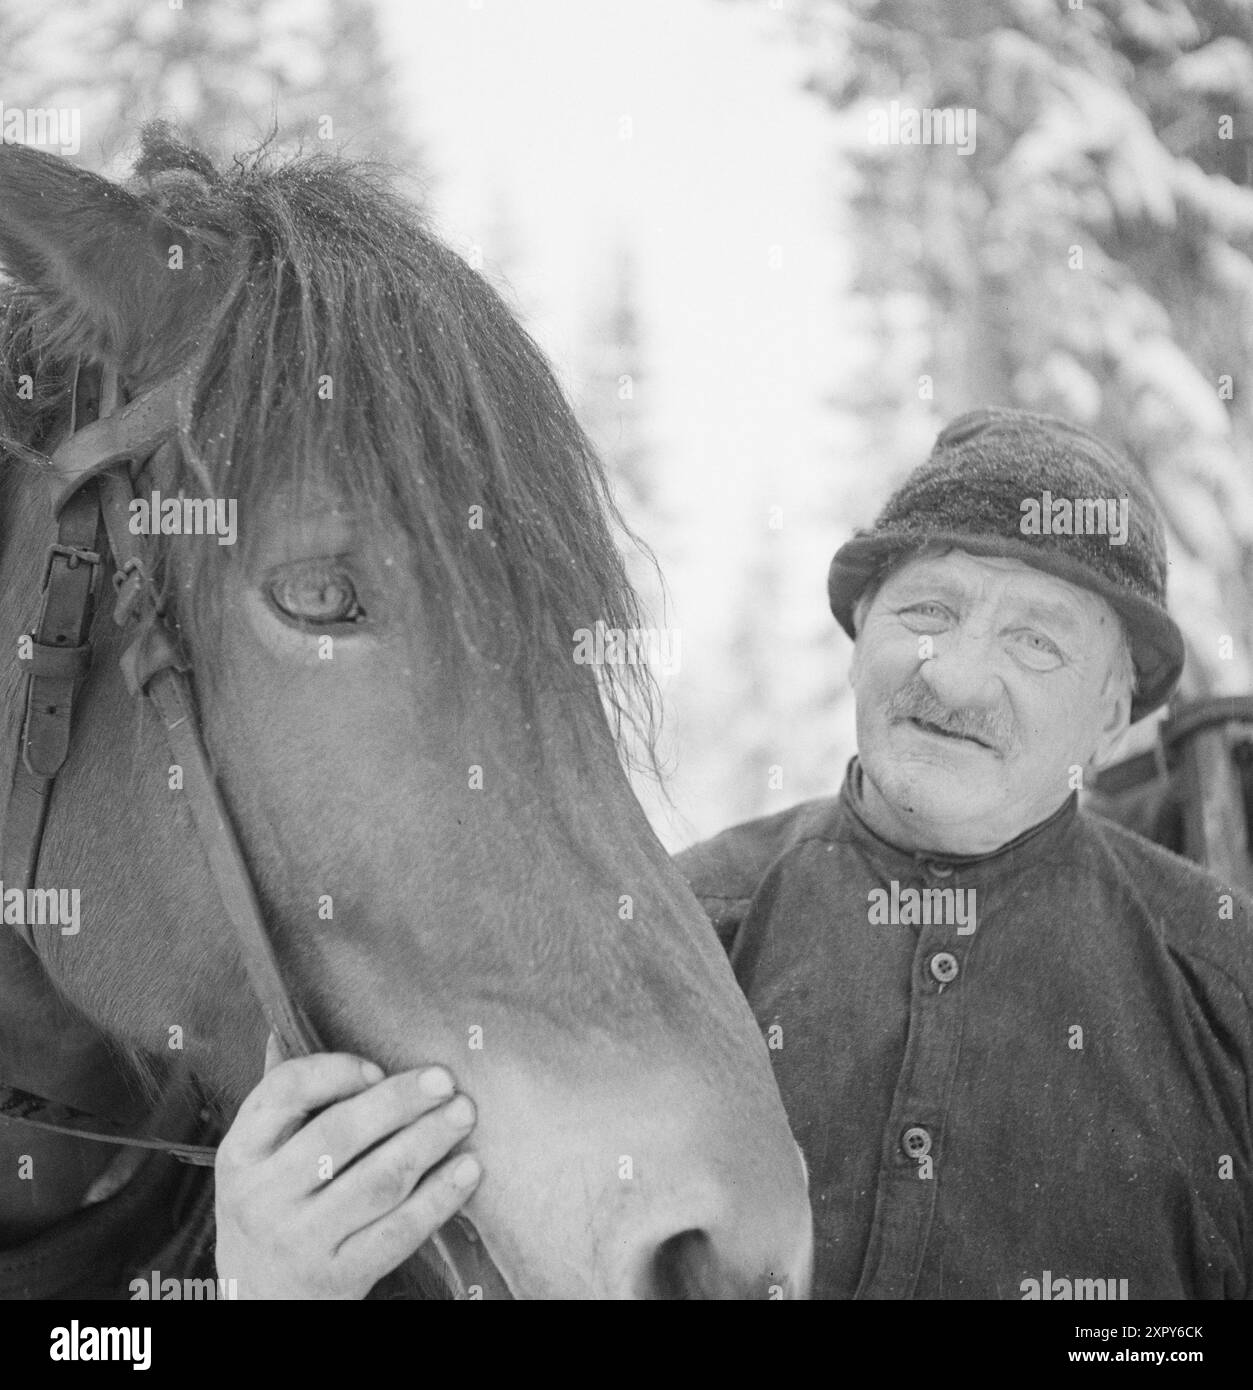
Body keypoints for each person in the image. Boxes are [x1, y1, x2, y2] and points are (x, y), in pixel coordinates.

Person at [675, 407, 1253, 1299]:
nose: (951, 676)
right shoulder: (683, 930)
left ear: (1109, 714)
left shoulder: (1223, 984)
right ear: (860, 632)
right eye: (927, 610)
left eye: (1034, 640)